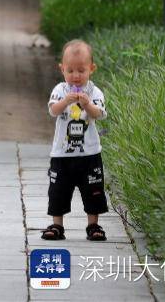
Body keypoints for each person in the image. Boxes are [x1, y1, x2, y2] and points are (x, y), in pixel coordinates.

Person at [42, 39, 109, 242]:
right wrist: (66, 101)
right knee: (58, 190)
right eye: (70, 71)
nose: (76, 76)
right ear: (62, 69)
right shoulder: (60, 90)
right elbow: (53, 110)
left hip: (89, 154)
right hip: (62, 154)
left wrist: (87, 105)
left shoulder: (94, 92)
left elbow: (99, 114)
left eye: (81, 70)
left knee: (93, 191)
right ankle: (57, 225)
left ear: (92, 69)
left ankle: (93, 225)